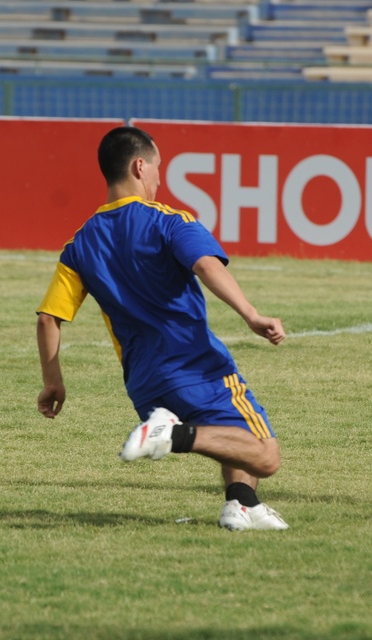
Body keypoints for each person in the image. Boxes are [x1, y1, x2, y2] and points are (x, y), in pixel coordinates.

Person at [36, 125, 289, 531]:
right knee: (265, 453)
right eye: (157, 167)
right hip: (194, 363)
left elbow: (49, 317)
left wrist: (53, 382)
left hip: (144, 381)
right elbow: (205, 263)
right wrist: (251, 314)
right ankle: (171, 435)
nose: (158, 177)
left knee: (229, 427)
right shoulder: (168, 220)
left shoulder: (79, 244)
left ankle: (242, 505)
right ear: (140, 166)